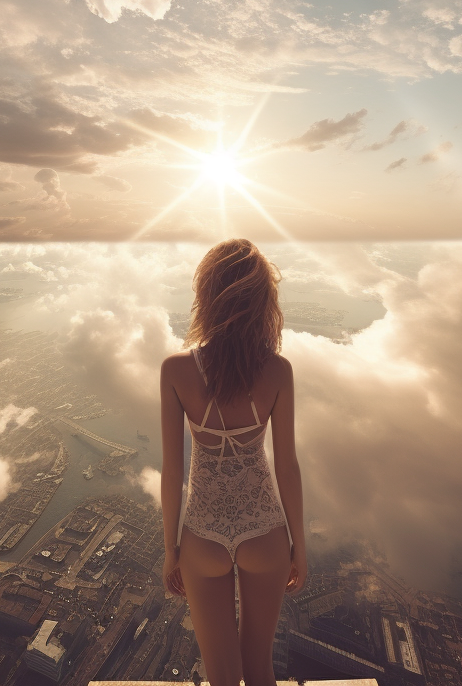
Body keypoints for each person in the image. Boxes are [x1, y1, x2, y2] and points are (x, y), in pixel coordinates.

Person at [160, 239, 307, 686]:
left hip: (202, 536)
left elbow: (172, 471)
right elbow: (286, 466)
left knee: (222, 677)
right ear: (264, 301)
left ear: (207, 296)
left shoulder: (176, 371)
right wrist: (298, 547)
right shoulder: (278, 372)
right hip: (265, 531)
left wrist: (171, 552)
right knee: (260, 668)